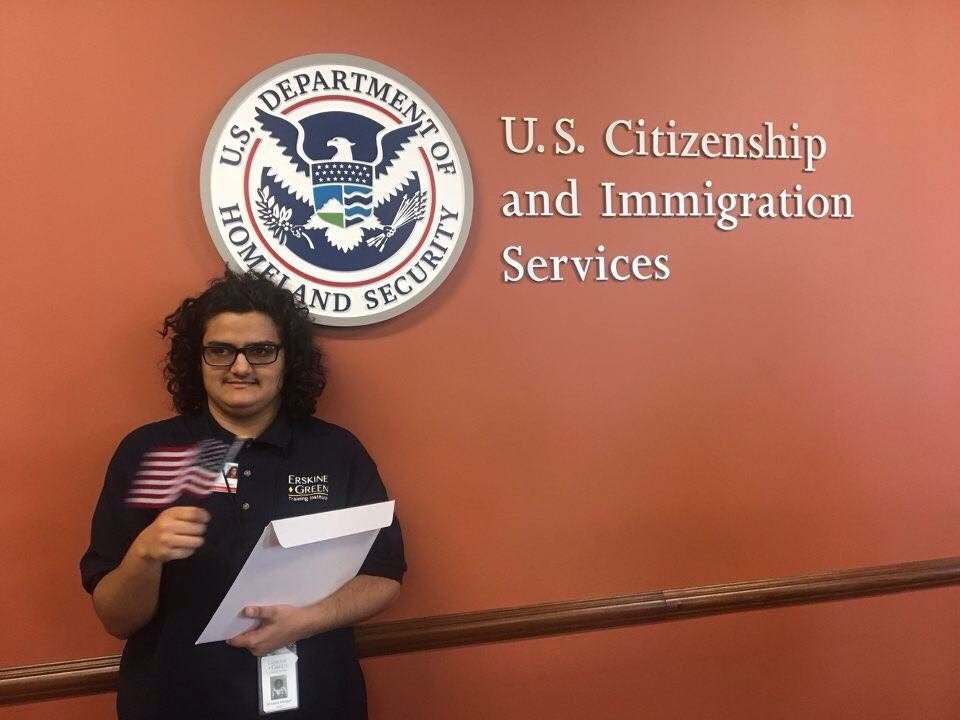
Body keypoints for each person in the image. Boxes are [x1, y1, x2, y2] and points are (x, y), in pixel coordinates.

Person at [80, 270, 405, 719]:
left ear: (287, 359)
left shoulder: (336, 450)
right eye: (220, 350)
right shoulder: (150, 453)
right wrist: (144, 556)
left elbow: (384, 576)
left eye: (260, 350)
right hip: (177, 702)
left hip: (316, 701)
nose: (240, 367)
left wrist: (306, 620)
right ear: (197, 359)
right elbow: (116, 619)